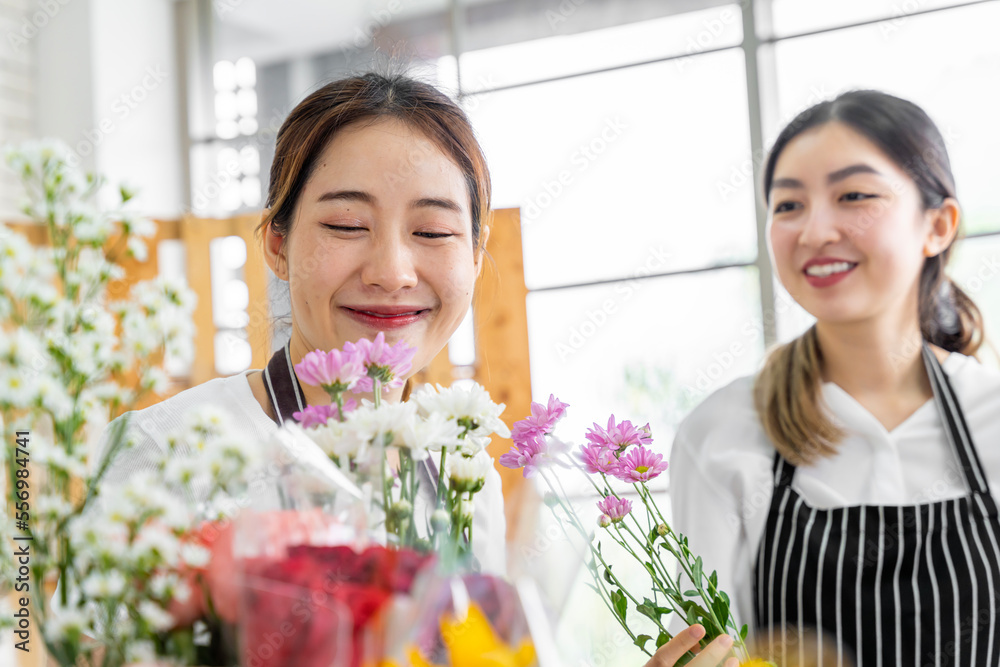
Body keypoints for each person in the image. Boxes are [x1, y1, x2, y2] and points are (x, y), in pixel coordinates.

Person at [100, 72, 506, 574]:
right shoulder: (165, 452)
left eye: (432, 231)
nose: (391, 273)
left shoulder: (463, 469)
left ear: (476, 251)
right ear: (277, 244)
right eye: (347, 226)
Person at [660, 90, 1000, 666]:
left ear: (938, 225)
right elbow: (705, 650)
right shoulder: (722, 432)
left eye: (854, 196)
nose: (815, 231)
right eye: (788, 205)